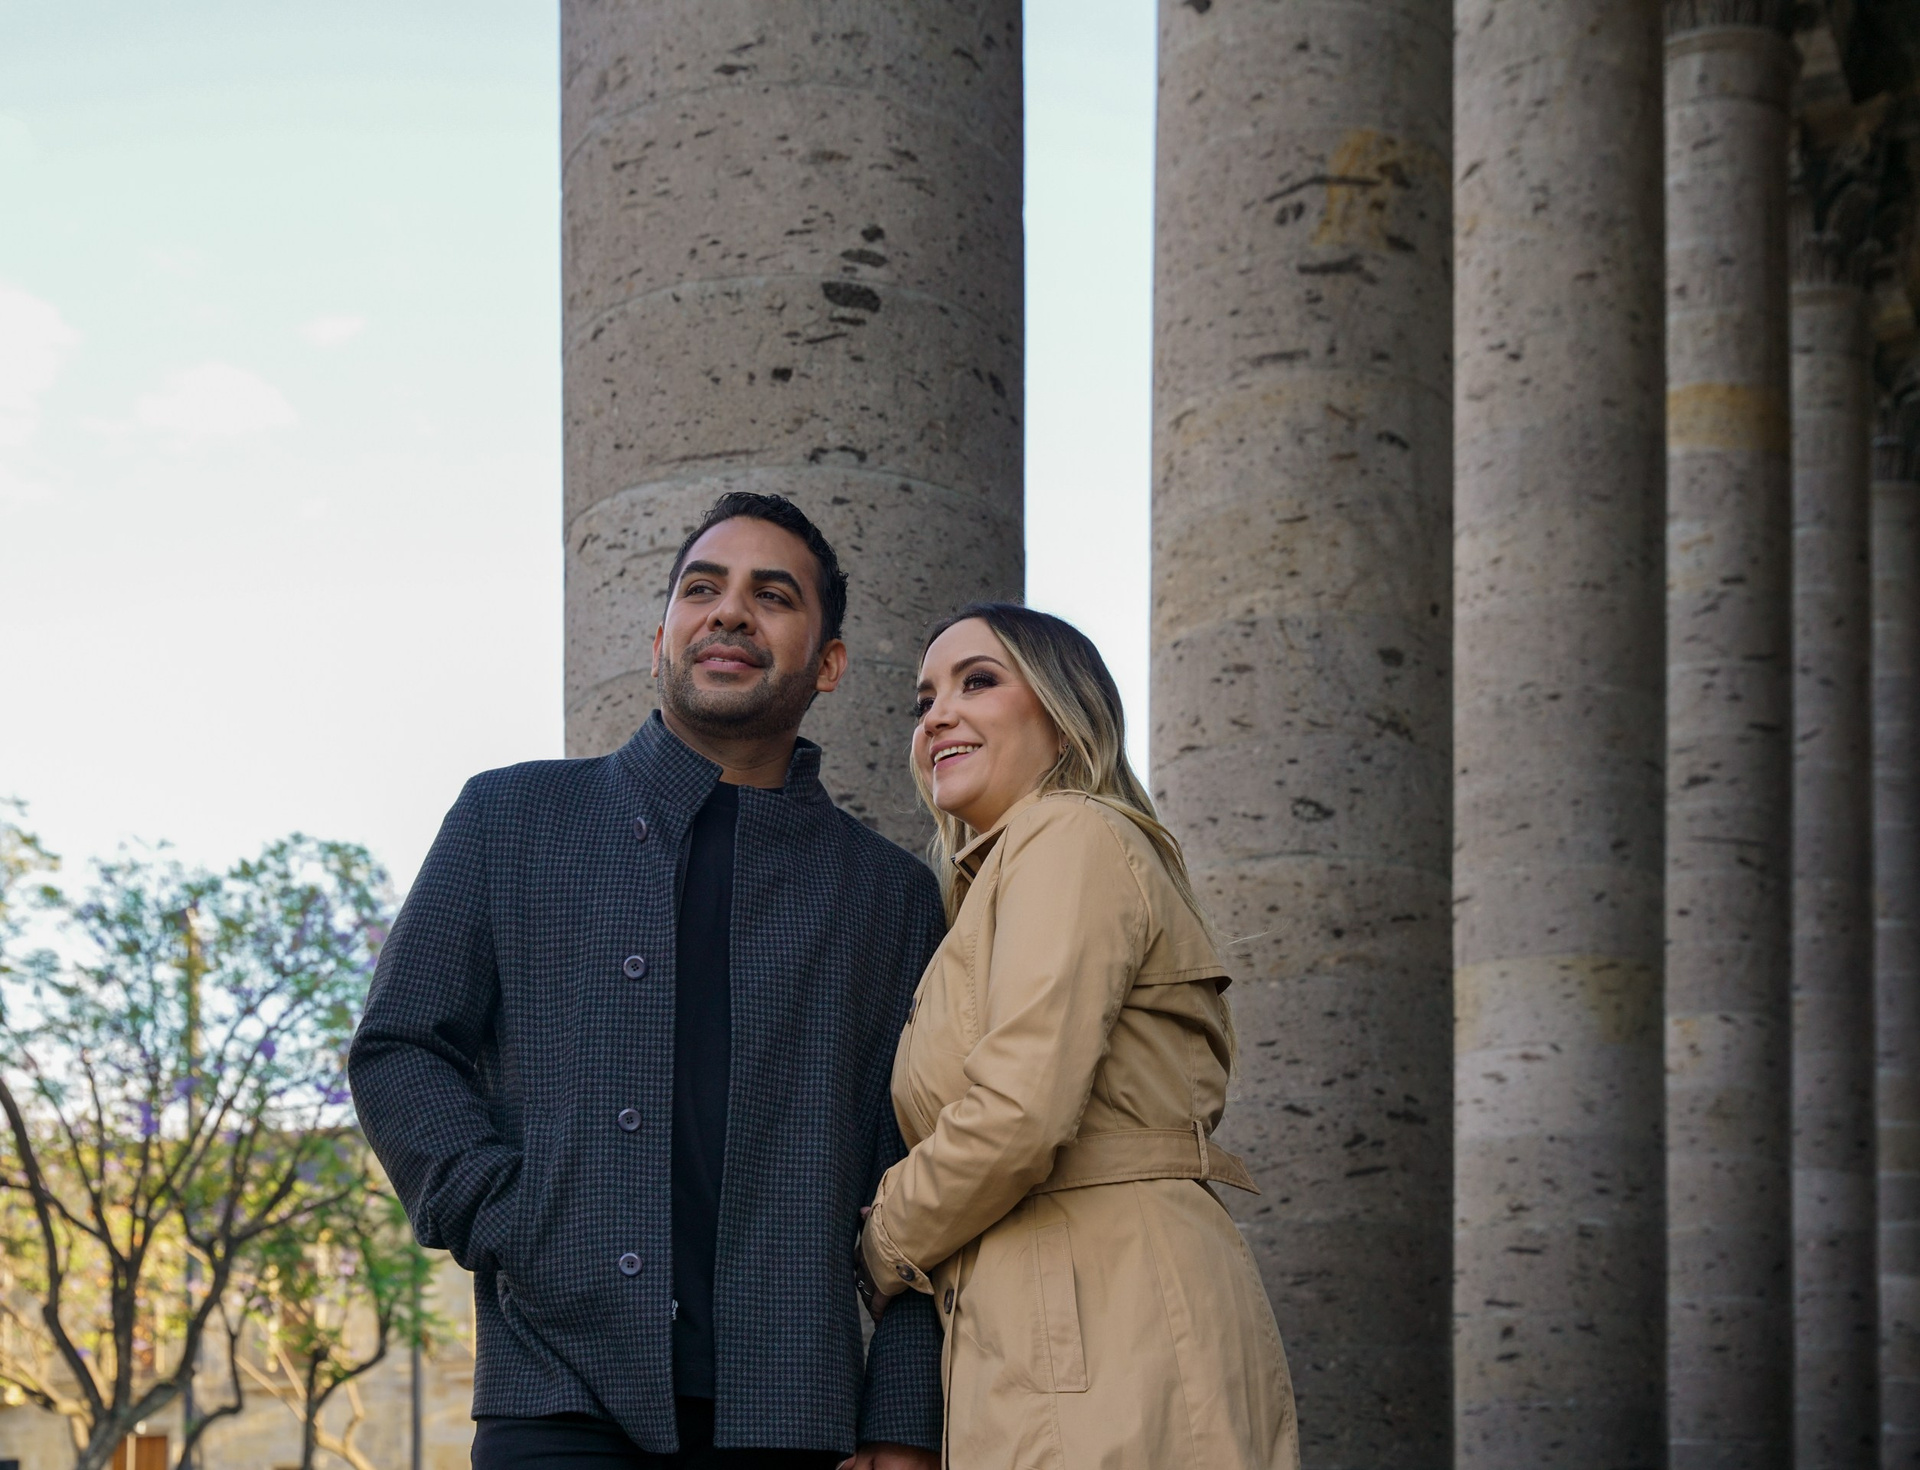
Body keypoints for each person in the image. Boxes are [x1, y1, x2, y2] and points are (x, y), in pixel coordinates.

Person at [349, 493, 945, 1470]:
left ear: (829, 663)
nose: (730, 611)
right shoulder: (510, 818)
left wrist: (904, 1414)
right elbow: (399, 1047)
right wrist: (513, 1219)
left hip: (794, 1417)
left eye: (773, 596)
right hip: (558, 1397)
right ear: (660, 636)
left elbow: (921, 1172)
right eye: (702, 589)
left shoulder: (891, 897)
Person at [855, 603, 1299, 1470]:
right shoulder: (1002, 879)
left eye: (978, 682)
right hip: (1053, 1315)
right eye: (924, 699)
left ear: (1064, 715)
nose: (937, 715)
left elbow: (1018, 1113)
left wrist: (880, 1240)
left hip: (1106, 1312)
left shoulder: (1067, 834)